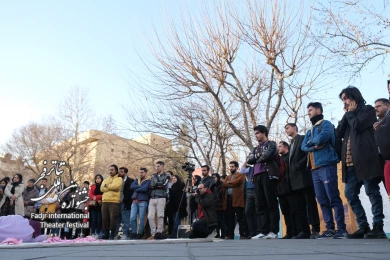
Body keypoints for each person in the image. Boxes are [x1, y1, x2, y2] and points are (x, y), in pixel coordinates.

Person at [337, 87, 386, 239]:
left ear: (355, 97)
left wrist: (350, 114)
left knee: (372, 191)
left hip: (366, 159)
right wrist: (347, 114)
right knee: (350, 193)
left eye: (346, 98)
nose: (345, 101)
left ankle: (378, 226)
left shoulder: (368, 110)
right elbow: (338, 133)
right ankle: (363, 225)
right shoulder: (348, 115)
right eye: (343, 99)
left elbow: (358, 125)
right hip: (350, 163)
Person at [302, 102, 347, 239]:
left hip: (327, 165)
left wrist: (311, 142)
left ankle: (341, 229)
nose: (308, 112)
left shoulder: (326, 124)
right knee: (322, 200)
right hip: (314, 169)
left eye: (310, 110)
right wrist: (313, 146)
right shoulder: (309, 130)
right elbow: (303, 147)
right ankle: (329, 229)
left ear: (318, 110)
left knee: (333, 197)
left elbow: (323, 137)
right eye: (308, 110)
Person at [285, 123, 321, 239]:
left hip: (304, 177)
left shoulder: (302, 138)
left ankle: (315, 229)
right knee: (299, 206)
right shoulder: (291, 144)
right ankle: (304, 230)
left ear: (294, 128)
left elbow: (307, 154)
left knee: (310, 203)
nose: (286, 130)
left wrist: (298, 165)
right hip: (294, 180)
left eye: (287, 128)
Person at [248, 125, 280, 239]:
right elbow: (249, 160)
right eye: (255, 133)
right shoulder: (255, 149)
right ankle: (263, 231)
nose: (256, 135)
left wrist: (257, 157)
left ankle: (274, 231)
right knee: (261, 205)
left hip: (268, 175)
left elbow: (268, 155)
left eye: (257, 133)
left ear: (264, 133)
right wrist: (258, 155)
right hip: (256, 177)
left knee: (271, 202)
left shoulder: (271, 144)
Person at [277, 141, 311, 239]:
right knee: (286, 212)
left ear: (286, 147)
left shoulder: (290, 158)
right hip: (281, 189)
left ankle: (301, 230)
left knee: (296, 210)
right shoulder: (279, 159)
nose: (278, 148)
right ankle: (290, 232)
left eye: (280, 146)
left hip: (291, 188)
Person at [223, 161, 248, 239]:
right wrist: (231, 182)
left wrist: (229, 183)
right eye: (230, 166)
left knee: (240, 217)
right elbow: (224, 184)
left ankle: (242, 234)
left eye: (232, 166)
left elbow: (238, 181)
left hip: (238, 199)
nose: (231, 168)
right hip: (229, 199)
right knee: (230, 218)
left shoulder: (240, 175)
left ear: (237, 168)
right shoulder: (228, 176)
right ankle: (230, 235)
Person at [148, 161, 170, 239]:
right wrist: (157, 185)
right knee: (150, 216)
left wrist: (156, 185)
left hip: (161, 197)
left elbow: (164, 185)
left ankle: (159, 232)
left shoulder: (166, 176)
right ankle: (153, 233)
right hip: (152, 197)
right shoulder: (153, 176)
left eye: (158, 166)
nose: (157, 168)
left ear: (162, 166)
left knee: (160, 216)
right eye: (156, 166)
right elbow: (151, 186)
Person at [101, 164, 123, 240]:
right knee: (105, 218)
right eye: (110, 169)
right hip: (105, 201)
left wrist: (107, 186)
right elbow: (101, 188)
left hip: (114, 201)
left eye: (112, 170)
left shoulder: (119, 179)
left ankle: (112, 234)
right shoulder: (106, 179)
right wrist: (109, 187)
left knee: (113, 219)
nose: (110, 171)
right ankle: (106, 234)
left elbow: (116, 187)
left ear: (116, 170)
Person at [374, 98, 390, 196]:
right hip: (384, 162)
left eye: (379, 106)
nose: (376, 109)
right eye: (375, 107)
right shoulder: (379, 124)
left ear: (388, 106)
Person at [130, 168, 151, 239]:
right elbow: (131, 186)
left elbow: (145, 189)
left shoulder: (148, 181)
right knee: (132, 217)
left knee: (141, 218)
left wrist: (137, 189)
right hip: (134, 201)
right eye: (139, 172)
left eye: (142, 172)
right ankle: (133, 232)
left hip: (143, 201)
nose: (140, 174)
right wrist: (140, 187)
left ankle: (140, 233)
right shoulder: (136, 180)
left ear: (145, 173)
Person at [115, 167, 134, 240]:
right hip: (116, 202)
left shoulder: (130, 181)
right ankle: (116, 234)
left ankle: (125, 234)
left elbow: (130, 193)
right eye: (119, 172)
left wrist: (124, 200)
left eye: (122, 172)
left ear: (125, 173)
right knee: (117, 220)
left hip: (125, 203)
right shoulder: (117, 180)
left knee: (126, 219)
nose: (120, 173)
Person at [88, 174, 104, 239]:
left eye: (99, 178)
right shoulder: (93, 186)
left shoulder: (103, 186)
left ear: (101, 179)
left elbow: (104, 194)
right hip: (93, 205)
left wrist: (96, 197)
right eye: (96, 178)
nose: (97, 180)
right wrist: (94, 197)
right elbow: (90, 194)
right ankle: (93, 232)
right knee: (93, 220)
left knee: (99, 219)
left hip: (101, 204)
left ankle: (99, 232)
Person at [212, 173, 226, 239]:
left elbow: (221, 194)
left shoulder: (221, 185)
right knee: (216, 221)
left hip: (220, 205)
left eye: (214, 177)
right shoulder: (213, 185)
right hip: (214, 206)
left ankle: (223, 234)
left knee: (221, 220)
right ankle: (217, 233)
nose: (213, 179)